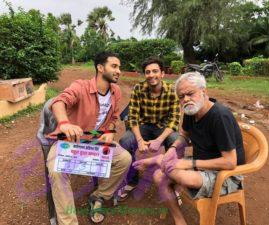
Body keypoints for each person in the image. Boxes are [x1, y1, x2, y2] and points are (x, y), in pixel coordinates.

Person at [133, 72, 245, 225]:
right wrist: (172, 148)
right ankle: (180, 220)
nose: (185, 99)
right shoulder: (190, 110)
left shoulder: (220, 116)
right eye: (181, 96)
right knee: (159, 176)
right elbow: (184, 136)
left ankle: (159, 160)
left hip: (226, 175)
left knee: (174, 172)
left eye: (190, 93)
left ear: (204, 92)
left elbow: (230, 162)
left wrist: (189, 164)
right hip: (202, 165)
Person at [47, 52, 132, 224]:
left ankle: (99, 196)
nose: (119, 71)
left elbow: (114, 118)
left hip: (96, 141)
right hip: (70, 141)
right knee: (56, 171)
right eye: (114, 66)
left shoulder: (115, 92)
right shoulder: (81, 86)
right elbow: (58, 102)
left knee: (124, 159)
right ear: (100, 68)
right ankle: (69, 222)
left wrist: (110, 131)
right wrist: (64, 122)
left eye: (119, 67)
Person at [118, 58, 180, 200]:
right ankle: (132, 177)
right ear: (145, 75)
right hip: (143, 126)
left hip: (162, 128)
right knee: (125, 142)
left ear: (162, 74)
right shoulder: (138, 89)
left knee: (176, 141)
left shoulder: (172, 91)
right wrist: (139, 140)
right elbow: (133, 117)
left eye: (155, 71)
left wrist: (159, 140)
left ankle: (172, 179)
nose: (151, 75)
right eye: (148, 72)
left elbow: (174, 120)